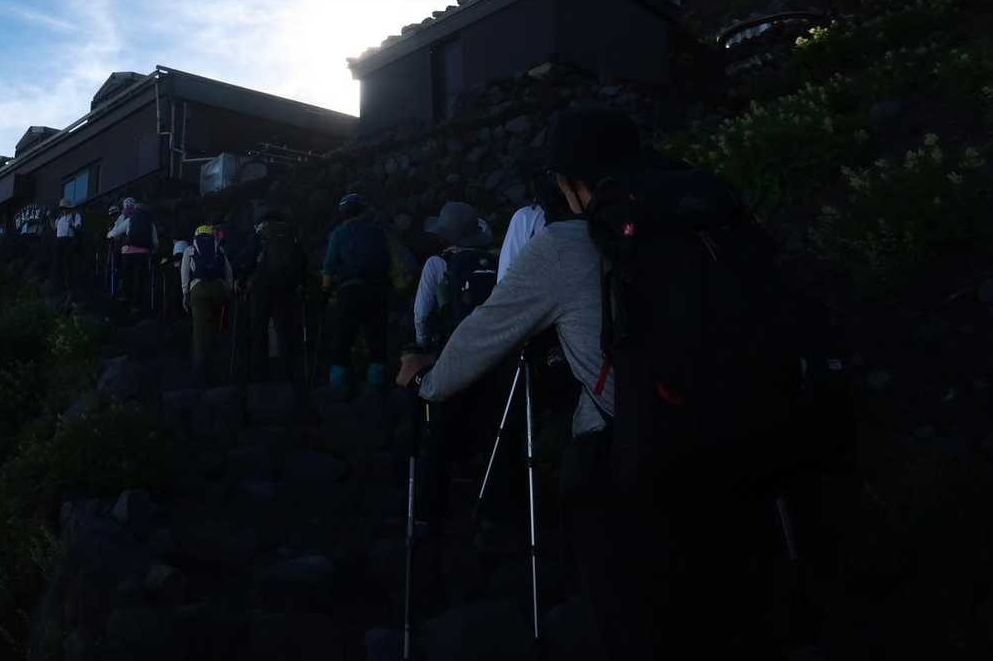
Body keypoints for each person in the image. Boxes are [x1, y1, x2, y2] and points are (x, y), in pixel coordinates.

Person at [396, 107, 772, 659]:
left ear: (568, 182)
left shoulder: (564, 245)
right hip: (750, 430)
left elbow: (480, 337)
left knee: (637, 610)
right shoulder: (705, 219)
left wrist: (426, 380)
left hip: (642, 445)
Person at [321, 193, 392, 393]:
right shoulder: (377, 232)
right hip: (375, 291)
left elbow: (329, 267)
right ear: (363, 209)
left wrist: (325, 292)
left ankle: (339, 385)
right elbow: (386, 262)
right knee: (376, 338)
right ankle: (376, 385)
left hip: (348, 292)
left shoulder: (338, 234)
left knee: (343, 339)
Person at [411, 202, 498, 350]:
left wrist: (422, 343)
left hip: (456, 345)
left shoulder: (436, 263)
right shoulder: (493, 259)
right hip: (495, 339)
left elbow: (421, 315)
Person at [243, 206, 307, 382]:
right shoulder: (290, 234)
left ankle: (259, 376)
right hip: (286, 287)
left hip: (262, 287)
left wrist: (242, 280)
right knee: (284, 329)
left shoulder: (260, 232)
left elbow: (249, 259)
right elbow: (301, 260)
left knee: (259, 330)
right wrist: (299, 282)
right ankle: (287, 374)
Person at [181, 223, 234, 381]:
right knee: (217, 326)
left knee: (199, 330)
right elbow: (229, 272)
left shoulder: (190, 250)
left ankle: (199, 370)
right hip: (219, 289)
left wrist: (185, 294)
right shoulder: (219, 249)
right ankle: (218, 364)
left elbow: (185, 273)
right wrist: (228, 291)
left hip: (198, 290)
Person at [107, 197, 158, 315]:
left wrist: (109, 234)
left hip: (128, 253)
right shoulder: (149, 222)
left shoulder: (130, 220)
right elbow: (155, 242)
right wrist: (153, 251)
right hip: (143, 254)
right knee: (139, 280)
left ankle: (125, 304)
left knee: (128, 279)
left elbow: (115, 233)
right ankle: (136, 306)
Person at [52, 198, 82, 287]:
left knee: (67, 264)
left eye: (64, 208)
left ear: (69, 208)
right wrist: (50, 218)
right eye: (62, 208)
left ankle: (69, 286)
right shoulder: (59, 218)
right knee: (57, 264)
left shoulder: (75, 215)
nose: (63, 210)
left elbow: (78, 227)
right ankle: (59, 285)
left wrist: (71, 225)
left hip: (68, 241)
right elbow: (54, 228)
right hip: (58, 242)